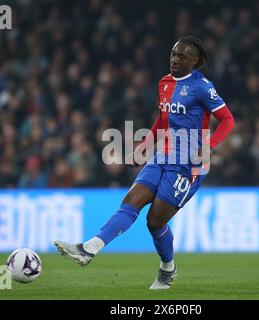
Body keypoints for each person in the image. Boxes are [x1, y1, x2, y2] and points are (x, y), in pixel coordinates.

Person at [54, 35, 235, 289]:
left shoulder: (202, 87)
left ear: (194, 61)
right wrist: (143, 147)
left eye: (181, 56)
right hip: (163, 155)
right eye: (173, 54)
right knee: (130, 202)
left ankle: (167, 269)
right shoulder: (164, 83)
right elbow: (162, 121)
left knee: (155, 221)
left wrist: (208, 146)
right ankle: (89, 248)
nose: (175, 59)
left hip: (190, 164)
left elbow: (227, 120)